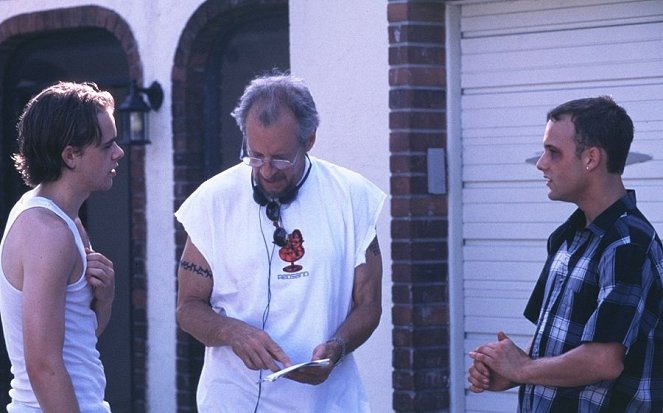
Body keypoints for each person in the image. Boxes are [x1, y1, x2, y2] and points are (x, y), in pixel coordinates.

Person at [175, 72, 386, 412]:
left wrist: (338, 346)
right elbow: (188, 308)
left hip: (329, 402)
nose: (267, 170)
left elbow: (369, 304)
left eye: (281, 159)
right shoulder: (213, 200)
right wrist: (233, 332)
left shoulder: (353, 196)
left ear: (310, 140)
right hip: (234, 402)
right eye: (255, 156)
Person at [467, 96, 663, 412]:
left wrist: (521, 368)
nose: (541, 163)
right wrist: (509, 370)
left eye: (553, 152)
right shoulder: (567, 236)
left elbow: (602, 361)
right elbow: (559, 346)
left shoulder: (628, 244)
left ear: (591, 158)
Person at [0, 81, 123, 412]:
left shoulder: (65, 221)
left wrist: (105, 299)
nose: (118, 152)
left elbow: (78, 341)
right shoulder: (47, 231)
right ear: (71, 155)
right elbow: (43, 365)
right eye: (107, 145)